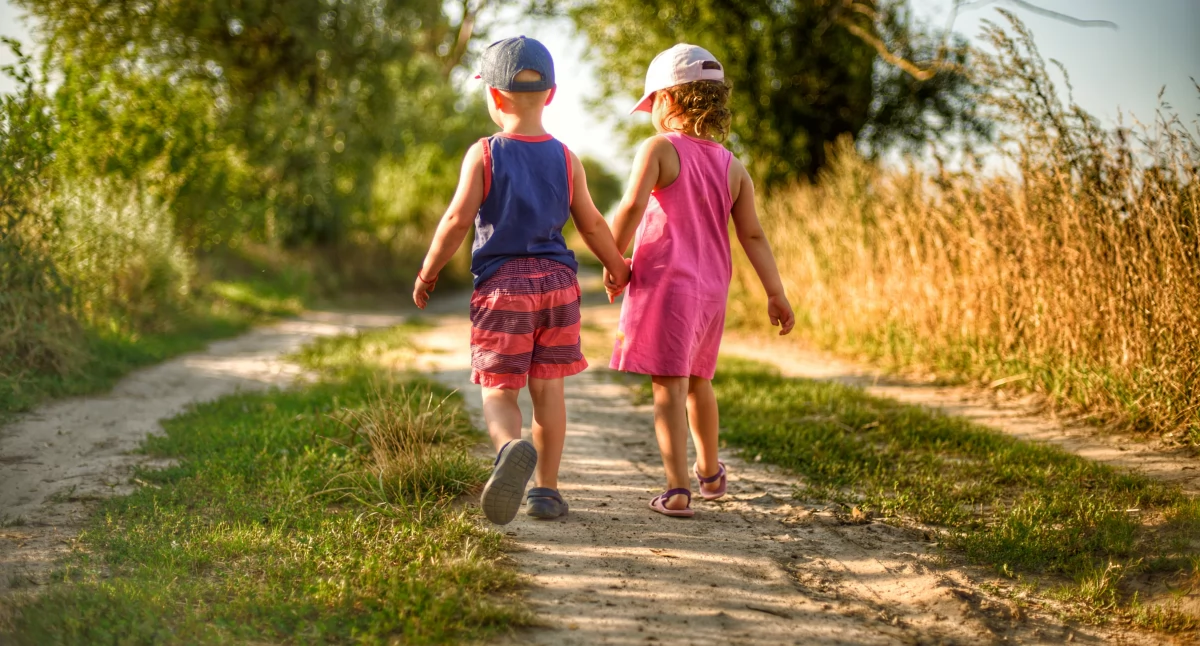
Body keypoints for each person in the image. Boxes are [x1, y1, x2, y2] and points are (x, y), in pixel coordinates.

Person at [413, 36, 631, 525]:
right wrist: (617, 267)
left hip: (502, 288)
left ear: (493, 97)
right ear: (550, 94)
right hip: (558, 286)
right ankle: (546, 491)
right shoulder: (566, 157)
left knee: (499, 390)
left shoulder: (485, 154)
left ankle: (510, 448)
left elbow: (455, 220)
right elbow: (593, 223)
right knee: (548, 391)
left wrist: (428, 272)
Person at [604, 44, 795, 518]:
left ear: (668, 99)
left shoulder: (659, 149)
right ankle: (710, 472)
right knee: (698, 381)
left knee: (667, 385)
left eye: (651, 104)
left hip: (668, 285)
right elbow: (752, 234)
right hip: (711, 290)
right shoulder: (734, 167)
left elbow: (629, 207)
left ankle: (676, 487)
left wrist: (613, 260)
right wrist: (776, 292)